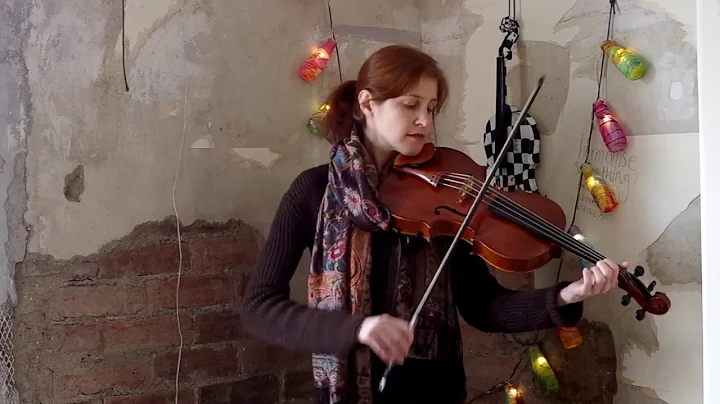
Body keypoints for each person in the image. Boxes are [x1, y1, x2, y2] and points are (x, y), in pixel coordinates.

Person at [240, 44, 622, 404]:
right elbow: (260, 308)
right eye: (411, 105)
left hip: (438, 391)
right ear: (367, 103)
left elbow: (483, 305)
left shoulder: (445, 201)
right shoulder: (314, 191)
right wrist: (356, 329)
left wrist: (564, 297)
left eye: (432, 108)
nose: (425, 120)